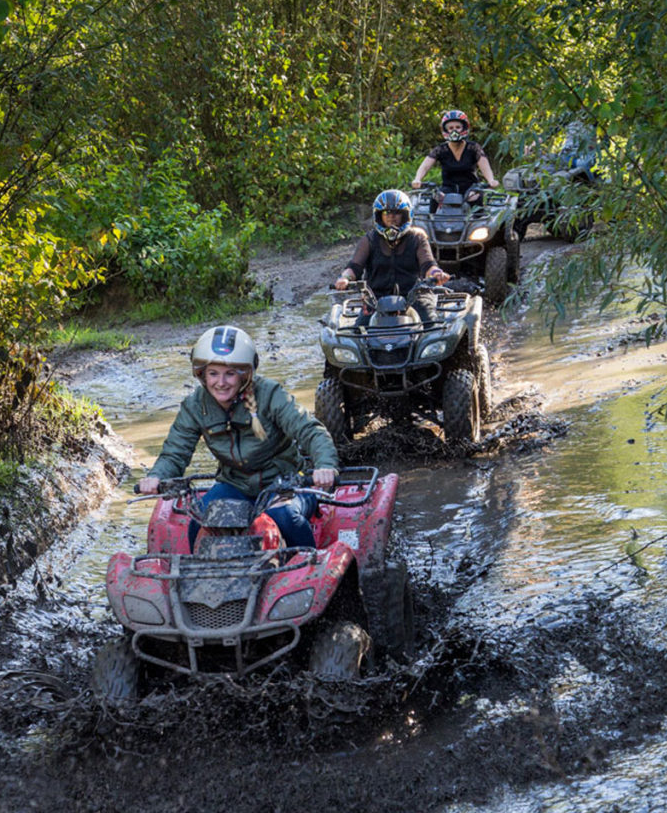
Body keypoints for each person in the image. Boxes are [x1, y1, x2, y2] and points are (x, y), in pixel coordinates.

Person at [137, 325, 339, 549]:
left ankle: (308, 565)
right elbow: (175, 452)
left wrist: (325, 465)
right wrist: (156, 476)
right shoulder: (195, 406)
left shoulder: (270, 394)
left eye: (230, 373)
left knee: (284, 517)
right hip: (235, 485)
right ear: (201, 375)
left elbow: (310, 431)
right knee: (200, 522)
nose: (220, 382)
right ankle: (201, 576)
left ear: (245, 374)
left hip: (286, 483)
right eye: (213, 373)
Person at [333, 189, 450, 324]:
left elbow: (428, 264)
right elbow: (354, 266)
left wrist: (437, 274)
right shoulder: (369, 240)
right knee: (358, 330)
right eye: (386, 213)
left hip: (414, 296)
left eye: (396, 212)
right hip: (375, 299)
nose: (391, 216)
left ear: (406, 215)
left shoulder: (417, 238)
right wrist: (344, 278)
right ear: (379, 216)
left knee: (431, 325)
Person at [411, 109, 500, 200]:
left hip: (471, 189)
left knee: (473, 197)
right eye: (451, 128)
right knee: (436, 197)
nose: (454, 131)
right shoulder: (440, 149)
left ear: (464, 128)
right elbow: (425, 166)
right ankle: (433, 214)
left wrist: (491, 180)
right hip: (448, 188)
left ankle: (478, 214)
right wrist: (417, 179)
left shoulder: (473, 148)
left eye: (458, 127)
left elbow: (484, 166)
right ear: (446, 130)